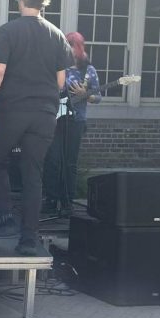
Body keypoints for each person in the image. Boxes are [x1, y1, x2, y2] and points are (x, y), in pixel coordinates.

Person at [0, 0, 72, 255]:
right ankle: (29, 238)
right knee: (34, 172)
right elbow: (60, 80)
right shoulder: (57, 34)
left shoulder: (8, 31)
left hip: (12, 110)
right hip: (45, 113)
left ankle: (5, 216)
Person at [43, 31, 101, 216]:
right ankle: (51, 198)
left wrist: (86, 94)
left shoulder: (88, 71)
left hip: (76, 120)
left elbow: (97, 97)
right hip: (55, 118)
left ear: (78, 47)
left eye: (70, 44)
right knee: (52, 160)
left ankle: (67, 201)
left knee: (70, 162)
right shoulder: (57, 67)